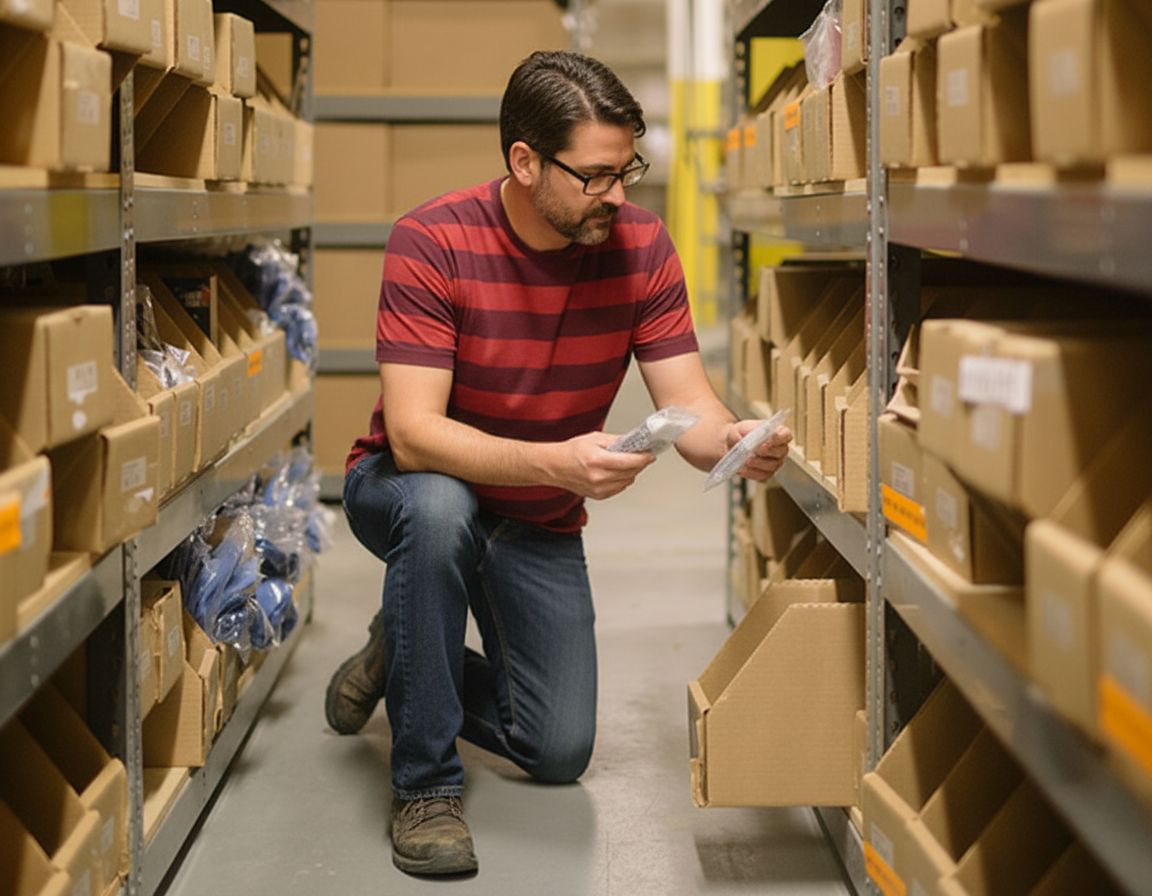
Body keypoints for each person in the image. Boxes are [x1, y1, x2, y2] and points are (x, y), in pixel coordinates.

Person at [326, 49, 792, 877]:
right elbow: (414, 436)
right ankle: (425, 787)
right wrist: (557, 465)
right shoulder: (432, 241)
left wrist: (733, 440)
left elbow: (690, 402)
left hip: (535, 515)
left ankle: (402, 645)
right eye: (598, 176)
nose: (620, 194)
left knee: (558, 747)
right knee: (440, 510)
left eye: (628, 169)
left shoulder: (640, 246)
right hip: (409, 491)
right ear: (524, 160)